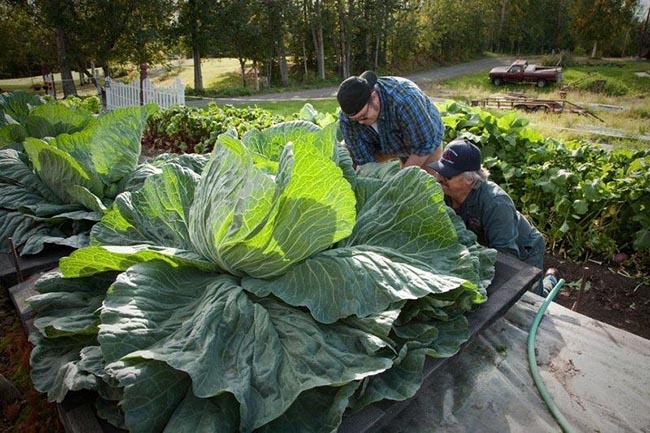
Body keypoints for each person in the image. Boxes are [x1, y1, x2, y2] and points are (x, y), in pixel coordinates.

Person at [427, 138, 557, 296]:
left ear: (470, 179)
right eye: (440, 171)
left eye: (448, 175)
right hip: (485, 247)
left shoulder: (496, 203)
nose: (440, 178)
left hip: (523, 252)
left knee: (531, 300)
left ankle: (551, 281)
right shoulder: (443, 193)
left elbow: (506, 257)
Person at [336, 70, 444, 169]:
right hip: (380, 144)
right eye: (356, 120)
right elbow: (365, 162)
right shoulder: (346, 119)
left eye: (363, 116)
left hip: (423, 138)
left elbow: (424, 146)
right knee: (343, 153)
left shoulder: (405, 100)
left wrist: (402, 180)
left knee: (423, 184)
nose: (360, 122)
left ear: (373, 97)